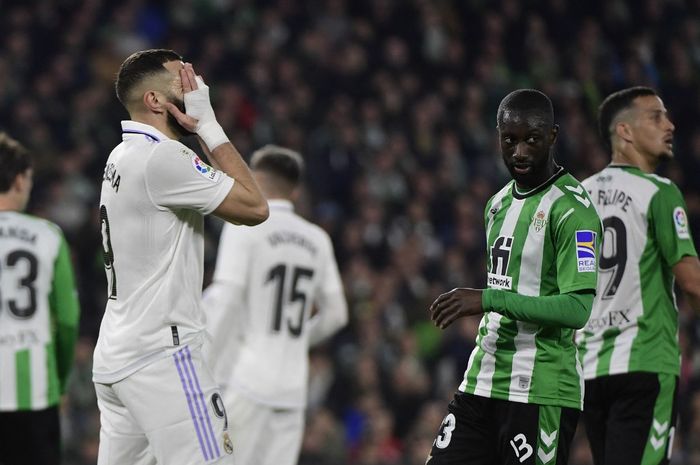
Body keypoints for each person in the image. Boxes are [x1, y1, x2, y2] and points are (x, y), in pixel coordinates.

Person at [93, 49, 268, 465]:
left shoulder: (119, 156)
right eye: (183, 80)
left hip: (118, 358)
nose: (196, 89)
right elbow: (255, 208)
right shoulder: (163, 157)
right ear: (155, 101)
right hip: (162, 356)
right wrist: (209, 127)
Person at [427, 89, 602, 465]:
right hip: (482, 378)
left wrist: (488, 298)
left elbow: (577, 308)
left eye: (532, 140)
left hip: (540, 390)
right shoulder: (497, 204)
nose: (519, 152)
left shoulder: (575, 212)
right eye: (510, 140)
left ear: (553, 136)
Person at [202, 144, 348, 465]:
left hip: (248, 380)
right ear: (295, 191)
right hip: (293, 389)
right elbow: (336, 315)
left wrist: (205, 367)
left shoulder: (242, 227)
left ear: (253, 179)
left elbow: (225, 301)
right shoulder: (317, 239)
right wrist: (296, 341)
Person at [577, 86, 700, 465]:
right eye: (656, 116)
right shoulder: (658, 193)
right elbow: (692, 282)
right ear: (624, 132)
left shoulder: (576, 198)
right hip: (644, 361)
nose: (670, 125)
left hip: (589, 371)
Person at [0, 132, 81, 465]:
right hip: (35, 393)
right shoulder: (47, 236)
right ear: (19, 180)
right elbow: (67, 320)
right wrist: (59, 381)